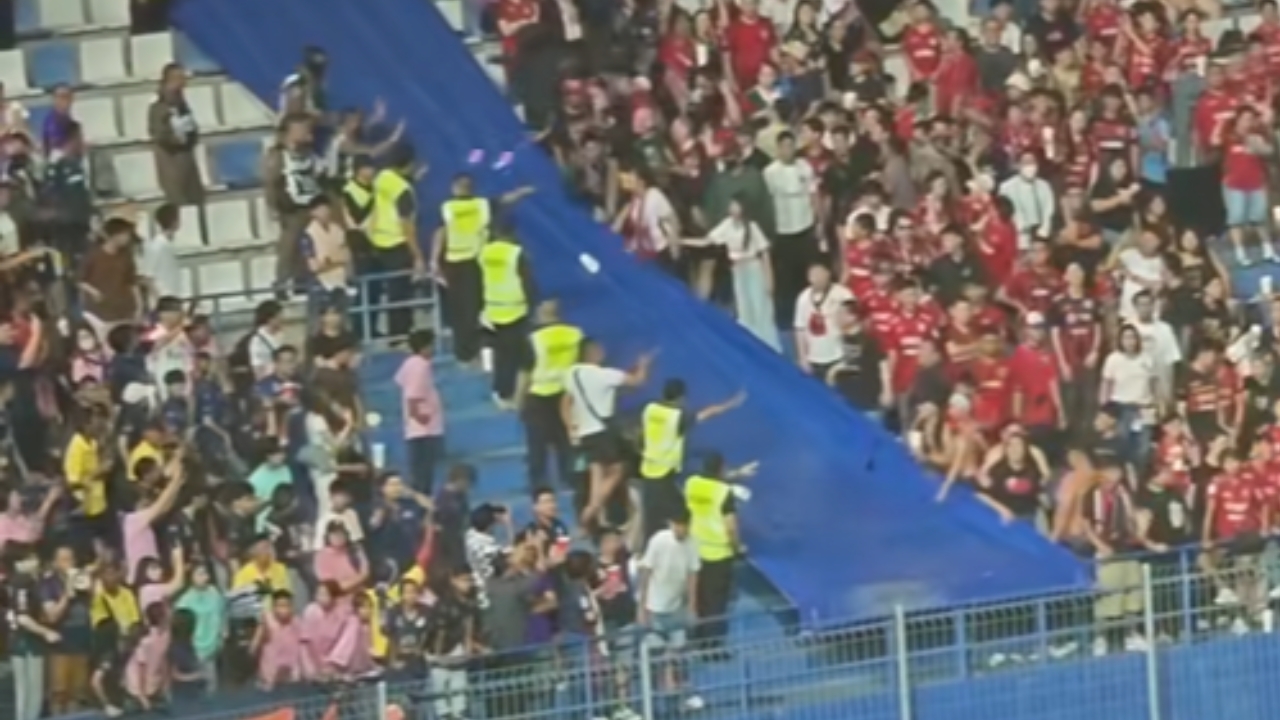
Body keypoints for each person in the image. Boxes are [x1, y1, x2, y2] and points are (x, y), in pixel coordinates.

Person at [639, 380, 745, 546]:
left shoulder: (650, 409)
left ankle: (648, 549)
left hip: (647, 470)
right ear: (681, 398)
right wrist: (729, 404)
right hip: (663, 475)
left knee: (651, 520)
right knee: (682, 516)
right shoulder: (677, 417)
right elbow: (705, 414)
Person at [564, 339, 654, 531]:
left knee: (597, 475)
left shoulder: (573, 373)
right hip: (603, 433)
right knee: (617, 470)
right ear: (592, 353)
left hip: (585, 433)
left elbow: (569, 400)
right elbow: (637, 382)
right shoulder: (604, 375)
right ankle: (592, 510)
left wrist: (571, 427)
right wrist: (644, 365)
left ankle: (597, 512)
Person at [684, 452, 757, 656]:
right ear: (721, 468)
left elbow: (712, 481)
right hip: (718, 554)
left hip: (695, 550)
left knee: (699, 599)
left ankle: (698, 641)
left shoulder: (692, 484)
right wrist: (738, 548)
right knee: (716, 604)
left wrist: (738, 474)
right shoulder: (724, 493)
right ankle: (714, 648)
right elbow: (731, 527)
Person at [636, 508, 704, 711]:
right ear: (671, 524)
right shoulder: (659, 540)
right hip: (654, 607)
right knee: (657, 654)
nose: (681, 530)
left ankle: (677, 695)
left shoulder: (692, 543)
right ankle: (654, 702)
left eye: (684, 526)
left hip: (676, 607)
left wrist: (692, 607)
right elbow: (646, 572)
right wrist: (642, 607)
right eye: (678, 525)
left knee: (678, 651)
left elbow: (693, 575)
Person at [515, 300, 583, 490]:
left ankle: (538, 484)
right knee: (566, 442)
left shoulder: (534, 339)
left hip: (539, 397)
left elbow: (525, 372)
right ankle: (569, 480)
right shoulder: (575, 334)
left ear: (542, 314)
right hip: (567, 396)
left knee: (537, 445)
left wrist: (519, 400)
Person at [367, 143, 428, 338]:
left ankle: (395, 331)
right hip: (397, 243)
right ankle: (399, 334)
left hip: (378, 241)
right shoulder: (404, 191)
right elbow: (407, 226)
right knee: (400, 292)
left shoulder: (382, 177)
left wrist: (414, 178)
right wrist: (417, 255)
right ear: (409, 164)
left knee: (390, 289)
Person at [479, 224, 536, 408]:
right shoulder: (515, 253)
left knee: (503, 355)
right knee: (517, 357)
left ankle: (502, 392)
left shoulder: (485, 252)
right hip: (515, 312)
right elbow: (528, 283)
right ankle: (508, 394)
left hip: (493, 310)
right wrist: (532, 306)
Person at [268, 113, 326, 295]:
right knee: (290, 246)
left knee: (311, 245)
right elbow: (271, 182)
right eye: (303, 129)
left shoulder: (309, 153)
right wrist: (273, 207)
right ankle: (282, 283)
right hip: (291, 207)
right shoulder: (278, 156)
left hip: (313, 204)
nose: (308, 133)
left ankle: (303, 281)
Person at [395, 328, 445, 493]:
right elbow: (413, 395)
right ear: (425, 347)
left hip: (415, 429)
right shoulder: (421, 366)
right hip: (425, 428)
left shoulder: (409, 363)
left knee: (418, 472)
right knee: (424, 475)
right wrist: (418, 415)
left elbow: (400, 381)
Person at [148, 62, 203, 207]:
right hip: (172, 163)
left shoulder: (181, 102)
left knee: (193, 202)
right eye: (180, 77)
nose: (184, 81)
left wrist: (191, 136)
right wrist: (177, 139)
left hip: (186, 162)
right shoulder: (159, 106)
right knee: (179, 203)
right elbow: (159, 134)